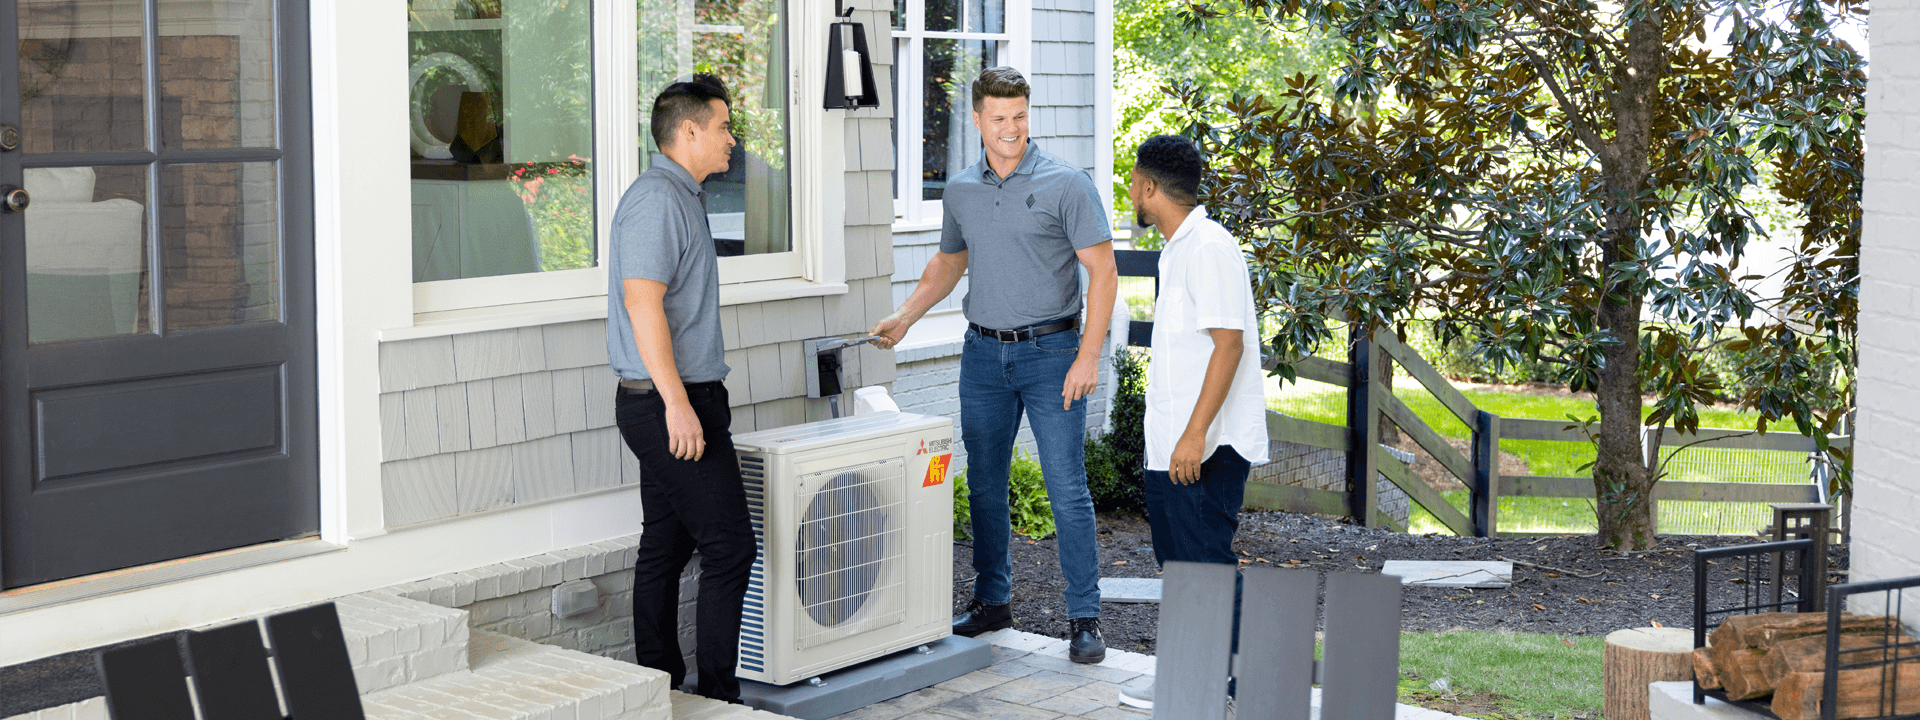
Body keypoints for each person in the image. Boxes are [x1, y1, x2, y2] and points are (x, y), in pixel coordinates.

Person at [868, 66, 1119, 664]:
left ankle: (1084, 617)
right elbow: (948, 263)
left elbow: (1103, 272)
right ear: (977, 119)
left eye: (1021, 117)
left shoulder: (1067, 184)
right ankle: (992, 601)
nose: (1012, 129)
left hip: (1052, 353)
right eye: (1000, 118)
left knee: (1066, 488)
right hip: (982, 353)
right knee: (982, 482)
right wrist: (905, 316)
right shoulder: (961, 190)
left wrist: (1088, 356)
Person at [609, 78, 754, 703]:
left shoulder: (681, 195)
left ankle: (659, 687)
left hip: (679, 398)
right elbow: (642, 304)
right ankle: (719, 696)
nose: (732, 139)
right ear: (689, 131)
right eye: (723, 127)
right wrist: (677, 406)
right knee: (730, 548)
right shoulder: (657, 200)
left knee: (665, 546)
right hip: (668, 403)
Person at [1116, 135, 1269, 710]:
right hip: (1175, 444)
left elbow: (1229, 345)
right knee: (1182, 566)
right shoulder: (1179, 247)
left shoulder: (1208, 247)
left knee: (1205, 566)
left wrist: (1194, 434)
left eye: (1133, 180)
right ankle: (1193, 676)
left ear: (1150, 188)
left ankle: (1229, 686)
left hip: (1204, 445)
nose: (1130, 190)